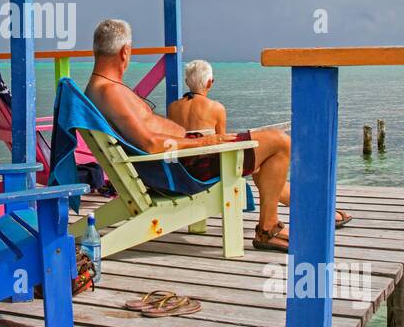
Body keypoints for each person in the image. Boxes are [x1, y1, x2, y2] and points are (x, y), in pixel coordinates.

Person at [85, 19, 295, 252]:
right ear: (125, 52)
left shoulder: (100, 89)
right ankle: (269, 227)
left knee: (264, 147)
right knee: (279, 142)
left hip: (182, 159)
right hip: (186, 167)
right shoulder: (110, 91)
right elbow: (151, 144)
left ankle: (274, 221)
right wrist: (206, 140)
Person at [168, 57, 351, 228]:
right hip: (206, 169)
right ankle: (314, 212)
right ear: (209, 82)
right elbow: (220, 143)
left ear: (187, 82)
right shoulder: (216, 108)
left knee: (265, 169)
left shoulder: (173, 107)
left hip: (186, 168)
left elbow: (186, 138)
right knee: (268, 162)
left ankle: (313, 211)